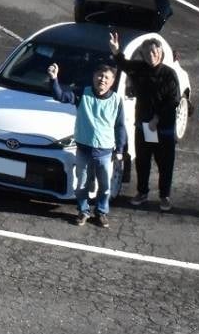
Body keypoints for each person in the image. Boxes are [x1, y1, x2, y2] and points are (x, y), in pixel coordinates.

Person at [48, 62, 127, 228]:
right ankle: (83, 211)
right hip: (83, 149)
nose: (102, 80)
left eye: (107, 77)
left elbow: (120, 126)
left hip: (105, 151)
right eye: (99, 75)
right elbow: (60, 96)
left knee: (105, 186)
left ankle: (101, 212)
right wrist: (54, 78)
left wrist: (120, 150)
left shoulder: (116, 100)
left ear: (112, 81)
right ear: (93, 76)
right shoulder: (83, 94)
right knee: (81, 184)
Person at [110, 31, 182, 211]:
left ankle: (164, 195)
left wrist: (157, 118)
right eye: (148, 52)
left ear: (161, 53)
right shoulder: (139, 68)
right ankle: (142, 192)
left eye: (155, 52)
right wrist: (116, 51)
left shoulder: (169, 74)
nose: (152, 55)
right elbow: (123, 64)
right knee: (143, 161)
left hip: (163, 127)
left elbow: (174, 100)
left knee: (165, 163)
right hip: (144, 126)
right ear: (143, 55)